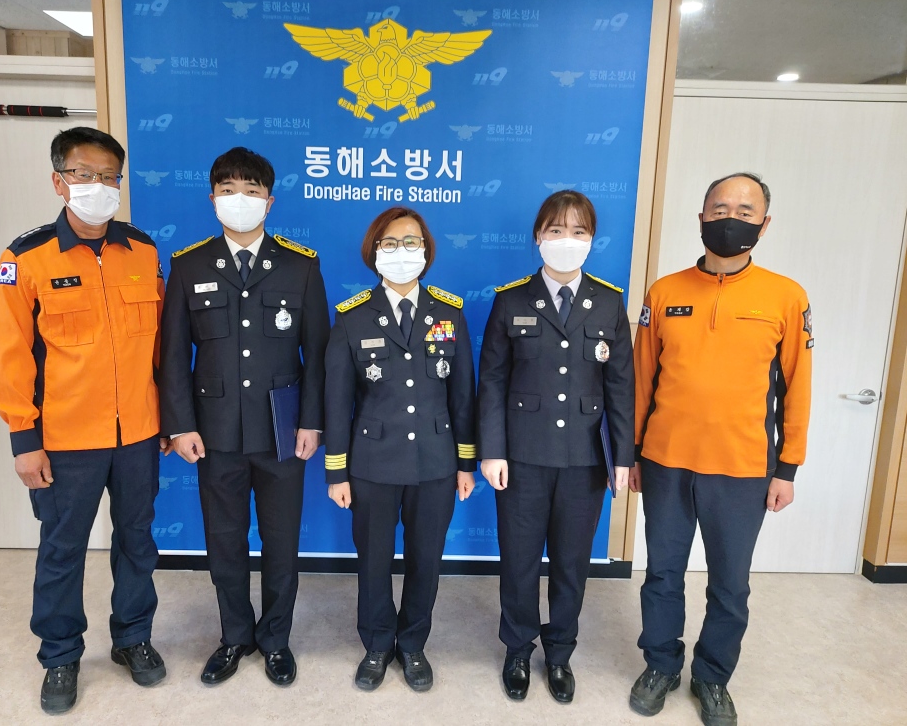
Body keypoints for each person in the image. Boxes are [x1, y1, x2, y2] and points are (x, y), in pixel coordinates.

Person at [0, 127, 168, 714]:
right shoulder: (25, 258)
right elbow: (12, 354)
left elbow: (160, 348)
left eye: (109, 176)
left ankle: (133, 637)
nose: (98, 185)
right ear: (58, 181)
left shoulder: (142, 251)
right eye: (83, 174)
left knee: (137, 541)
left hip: (137, 432)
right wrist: (24, 438)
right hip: (65, 439)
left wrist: (168, 418)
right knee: (62, 549)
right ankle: (61, 653)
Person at [628, 173, 812, 726]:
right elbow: (641, 379)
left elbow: (798, 386)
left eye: (745, 210)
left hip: (742, 468)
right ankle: (660, 664)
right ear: (702, 217)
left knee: (730, 584)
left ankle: (712, 676)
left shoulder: (786, 296)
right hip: (665, 462)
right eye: (720, 208)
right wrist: (632, 452)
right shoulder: (664, 292)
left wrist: (788, 468)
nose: (731, 218)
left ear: (764, 223)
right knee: (662, 574)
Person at [158, 147, 330, 688]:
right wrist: (180, 424)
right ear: (212, 199)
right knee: (224, 541)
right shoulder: (188, 266)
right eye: (229, 190)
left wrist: (312, 421)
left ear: (269, 202)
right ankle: (235, 635)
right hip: (214, 434)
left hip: (283, 432)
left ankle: (276, 639)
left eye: (252, 191)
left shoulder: (302, 266)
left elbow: (318, 355)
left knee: (281, 543)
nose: (240, 200)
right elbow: (173, 356)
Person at [477, 190, 634, 704]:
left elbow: (621, 386)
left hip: (585, 461)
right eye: (556, 230)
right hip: (522, 458)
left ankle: (560, 652)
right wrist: (492, 450)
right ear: (538, 238)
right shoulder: (511, 300)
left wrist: (623, 458)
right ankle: (519, 648)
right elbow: (492, 381)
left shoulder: (609, 301)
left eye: (578, 231)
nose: (567, 240)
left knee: (571, 562)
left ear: (592, 240)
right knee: (519, 560)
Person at [324, 206, 477, 693]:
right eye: (390, 243)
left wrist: (466, 464)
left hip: (436, 462)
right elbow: (337, 401)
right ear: (374, 252)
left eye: (412, 242)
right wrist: (336, 472)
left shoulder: (449, 312)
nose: (401, 251)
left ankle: (412, 644)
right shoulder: (351, 316)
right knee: (373, 561)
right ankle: (376, 643)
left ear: (426, 251)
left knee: (425, 560)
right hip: (372, 463)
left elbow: (463, 395)